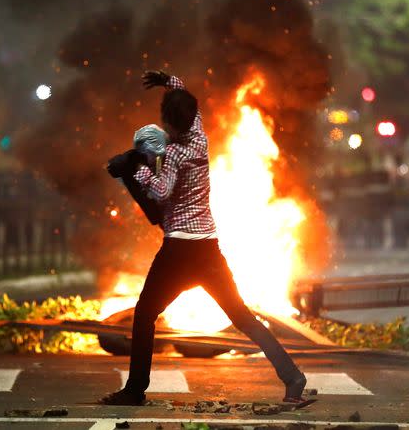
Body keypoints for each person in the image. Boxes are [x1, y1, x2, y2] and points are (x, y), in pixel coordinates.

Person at [101, 70, 307, 406]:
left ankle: (135, 389)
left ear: (169, 124)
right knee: (241, 316)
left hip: (179, 251)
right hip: (209, 248)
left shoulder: (178, 153)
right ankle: (293, 376)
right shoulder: (199, 136)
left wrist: (135, 169)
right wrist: (169, 81)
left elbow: (162, 192)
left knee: (144, 314)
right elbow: (186, 96)